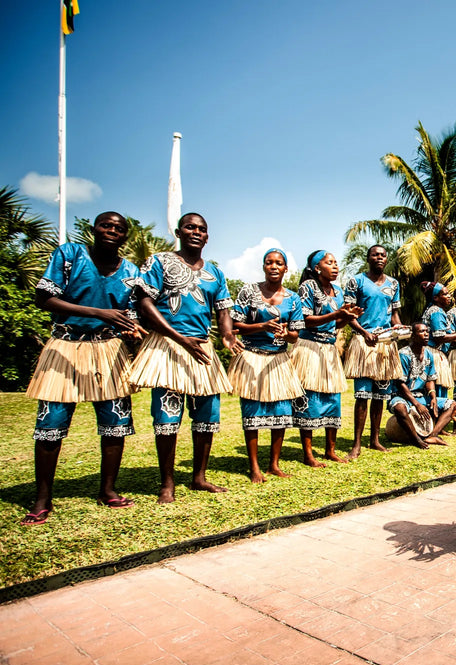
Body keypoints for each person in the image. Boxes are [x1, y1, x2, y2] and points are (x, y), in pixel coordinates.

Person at [21, 212, 142, 525]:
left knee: (116, 424)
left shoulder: (130, 271)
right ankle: (43, 498)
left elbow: (130, 314)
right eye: (106, 225)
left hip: (109, 350)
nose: (111, 230)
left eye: (118, 228)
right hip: (65, 348)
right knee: (51, 427)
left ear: (125, 236)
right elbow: (44, 298)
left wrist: (132, 330)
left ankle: (108, 490)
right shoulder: (70, 254)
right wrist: (98, 312)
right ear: (94, 229)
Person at [130, 212, 239, 503]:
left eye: (201, 229)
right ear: (179, 232)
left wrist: (227, 335)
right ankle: (167, 483)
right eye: (190, 227)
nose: (196, 232)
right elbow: (144, 301)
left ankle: (199, 477)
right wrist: (178, 338)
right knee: (167, 417)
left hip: (202, 350)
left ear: (207, 236)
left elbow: (223, 310)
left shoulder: (215, 272)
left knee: (207, 418)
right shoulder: (160, 261)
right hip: (168, 348)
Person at [227, 248, 306, 482]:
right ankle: (254, 467)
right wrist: (262, 327)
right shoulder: (248, 292)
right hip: (252, 358)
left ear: (285, 268)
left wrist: (285, 334)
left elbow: (296, 335)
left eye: (278, 263)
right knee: (252, 413)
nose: (273, 266)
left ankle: (273, 464)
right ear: (263, 267)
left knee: (280, 413)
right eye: (269, 263)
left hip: (279, 360)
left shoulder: (293, 298)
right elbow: (234, 326)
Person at [291, 251, 361, 466]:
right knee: (310, 399)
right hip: (309, 348)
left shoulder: (338, 292)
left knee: (333, 400)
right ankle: (308, 454)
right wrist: (336, 315)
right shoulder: (308, 287)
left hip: (329, 351)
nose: (335, 266)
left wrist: (346, 318)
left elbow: (336, 325)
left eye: (335, 263)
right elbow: (304, 320)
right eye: (329, 263)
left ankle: (330, 450)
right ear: (316, 268)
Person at [343, 245, 402, 460]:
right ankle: (356, 443)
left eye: (383, 255)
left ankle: (374, 440)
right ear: (368, 258)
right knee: (362, 396)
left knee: (380, 395)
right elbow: (348, 314)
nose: (379, 257)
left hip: (386, 343)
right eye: (375, 254)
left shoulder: (394, 284)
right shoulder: (356, 281)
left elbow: (394, 314)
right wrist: (363, 331)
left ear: (387, 259)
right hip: (364, 342)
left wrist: (399, 328)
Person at [388, 322, 456, 448]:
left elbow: (430, 379)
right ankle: (416, 440)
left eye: (427, 331)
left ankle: (433, 435)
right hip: (402, 397)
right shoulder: (404, 354)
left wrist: (433, 397)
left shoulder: (428, 354)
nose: (426, 334)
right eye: (421, 332)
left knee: (452, 405)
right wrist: (417, 404)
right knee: (399, 408)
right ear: (413, 336)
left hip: (420, 396)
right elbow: (400, 383)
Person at [420, 281, 456, 434]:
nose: (448, 296)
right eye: (445, 294)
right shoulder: (436, 311)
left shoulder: (437, 310)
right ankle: (434, 424)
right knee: (436, 390)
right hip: (433, 352)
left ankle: (439, 424)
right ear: (436, 298)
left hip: (437, 353)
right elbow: (440, 337)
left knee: (441, 389)